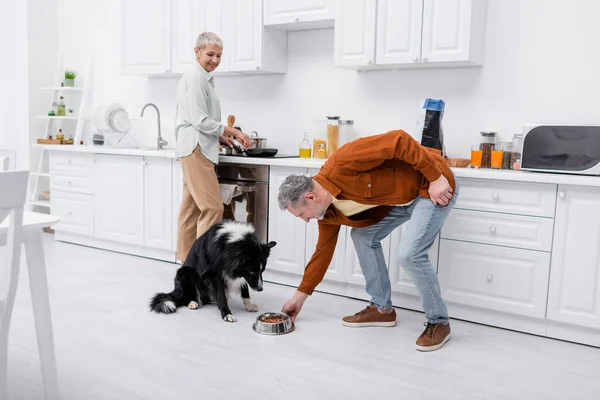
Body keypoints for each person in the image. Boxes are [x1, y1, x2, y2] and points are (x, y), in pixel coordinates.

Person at [277, 129, 458, 352]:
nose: (305, 220)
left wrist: (436, 178)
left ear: (310, 197)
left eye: (302, 214)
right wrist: (298, 299)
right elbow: (322, 254)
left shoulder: (343, 162)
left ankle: (439, 322)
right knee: (362, 235)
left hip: (432, 187)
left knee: (409, 254)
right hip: (401, 201)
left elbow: (399, 140)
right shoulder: (327, 214)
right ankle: (382, 309)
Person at [174, 32, 252, 262]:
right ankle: (202, 267)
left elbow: (198, 119)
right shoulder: (196, 77)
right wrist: (233, 131)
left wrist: (219, 137)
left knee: (191, 211)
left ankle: (187, 268)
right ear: (196, 52)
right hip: (195, 149)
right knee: (212, 207)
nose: (215, 60)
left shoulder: (201, 77)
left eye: (219, 55)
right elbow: (199, 120)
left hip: (194, 147)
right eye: (210, 54)